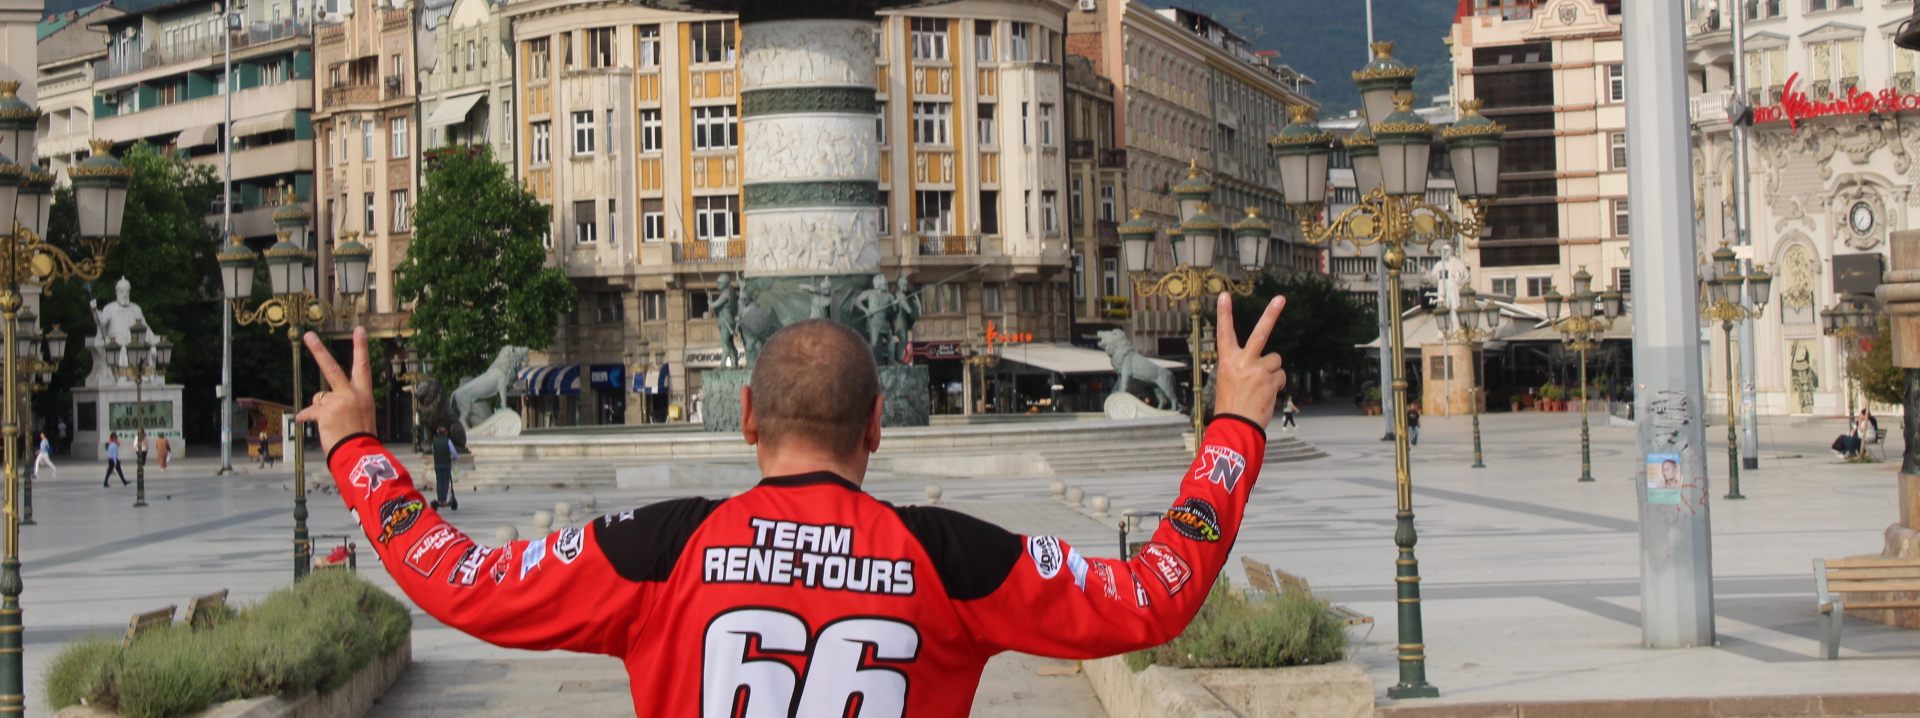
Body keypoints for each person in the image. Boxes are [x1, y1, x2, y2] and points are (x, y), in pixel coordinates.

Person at [297, 292, 1288, 715]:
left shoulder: (662, 545)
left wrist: (356, 443)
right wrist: (1231, 431)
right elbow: (1149, 593)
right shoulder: (950, 554)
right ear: (875, 428)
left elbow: (459, 581)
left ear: (744, 417)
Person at [431, 425, 458, 511]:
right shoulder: (448, 441)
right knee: (445, 482)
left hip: (437, 464)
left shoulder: (434, 442)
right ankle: (444, 500)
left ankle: (440, 500)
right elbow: (453, 451)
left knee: (439, 482)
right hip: (446, 463)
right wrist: (457, 458)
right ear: (446, 433)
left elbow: (433, 451)